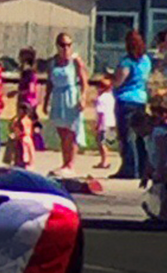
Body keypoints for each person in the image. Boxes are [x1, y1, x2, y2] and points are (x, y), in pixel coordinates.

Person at [43, 32, 89, 174]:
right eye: (63, 45)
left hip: (71, 96)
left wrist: (83, 97)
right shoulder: (53, 62)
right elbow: (49, 83)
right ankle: (64, 162)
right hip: (58, 96)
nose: (66, 48)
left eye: (68, 45)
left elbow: (84, 81)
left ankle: (71, 164)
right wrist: (46, 101)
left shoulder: (75, 62)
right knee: (62, 132)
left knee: (72, 131)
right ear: (57, 46)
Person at [110, 30, 152, 179]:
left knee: (126, 135)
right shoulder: (146, 60)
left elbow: (119, 80)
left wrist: (111, 79)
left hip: (126, 100)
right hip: (140, 99)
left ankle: (128, 168)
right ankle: (142, 168)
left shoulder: (127, 62)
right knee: (139, 135)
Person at [93, 77, 116, 172]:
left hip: (103, 123)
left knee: (101, 142)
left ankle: (104, 161)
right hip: (111, 122)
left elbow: (101, 113)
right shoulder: (111, 97)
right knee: (108, 142)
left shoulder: (101, 99)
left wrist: (98, 125)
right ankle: (106, 159)